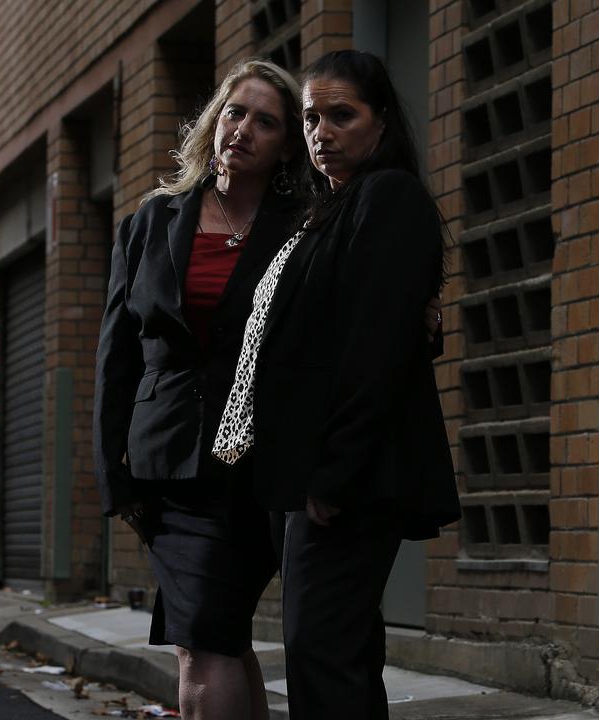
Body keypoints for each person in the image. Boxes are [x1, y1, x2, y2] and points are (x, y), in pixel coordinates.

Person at [212, 50, 461, 720]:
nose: (322, 132)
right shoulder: (332, 208)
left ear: (381, 122)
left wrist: (334, 475)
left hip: (347, 480)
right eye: (313, 117)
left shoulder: (390, 198)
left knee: (322, 655)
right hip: (311, 475)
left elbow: (375, 350)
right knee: (334, 651)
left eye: (341, 115)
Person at [92, 58, 307, 720]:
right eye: (234, 111)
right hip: (170, 465)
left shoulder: (303, 227)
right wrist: (113, 475)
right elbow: (116, 356)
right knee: (203, 642)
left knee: (221, 630)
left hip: (262, 466)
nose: (242, 129)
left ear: (285, 146)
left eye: (265, 121)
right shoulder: (151, 223)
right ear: (214, 120)